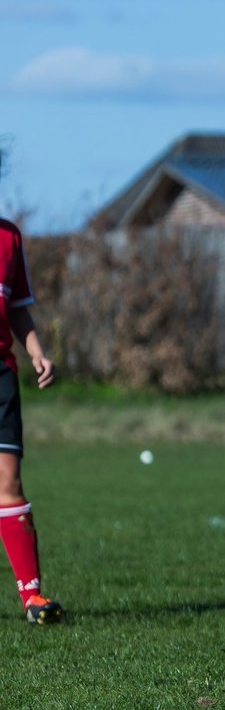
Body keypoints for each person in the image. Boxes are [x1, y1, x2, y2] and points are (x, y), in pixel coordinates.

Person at [0, 216, 62, 625]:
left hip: (0, 374)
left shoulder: (9, 237)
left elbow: (18, 308)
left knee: (9, 482)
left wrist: (36, 350)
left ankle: (32, 597)